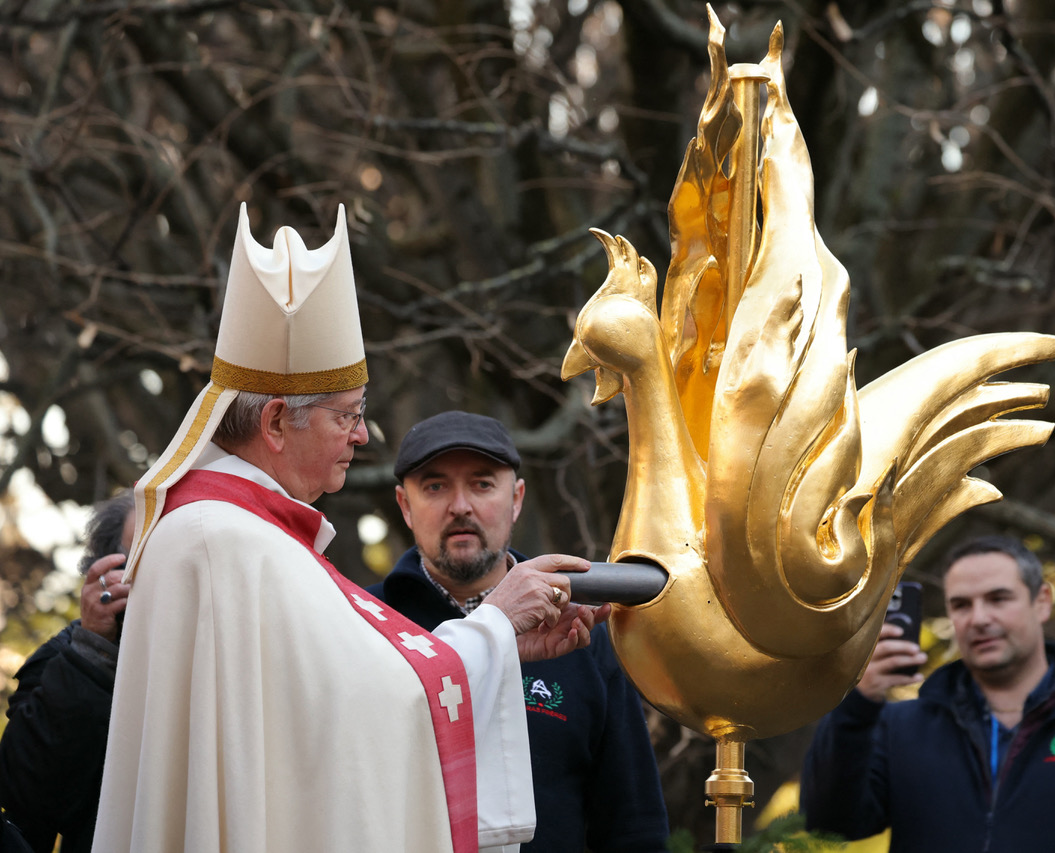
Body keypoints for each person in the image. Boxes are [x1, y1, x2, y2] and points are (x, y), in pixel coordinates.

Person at [92, 204, 606, 853]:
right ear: (276, 422)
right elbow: (362, 729)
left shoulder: (235, 535)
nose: (362, 435)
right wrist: (495, 624)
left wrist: (501, 650)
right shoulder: (225, 543)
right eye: (347, 415)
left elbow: (334, 722)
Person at [366, 411, 669, 853]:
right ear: (404, 505)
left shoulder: (579, 634)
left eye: (483, 483)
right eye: (435, 486)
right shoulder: (365, 622)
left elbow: (633, 827)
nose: (461, 506)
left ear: (517, 499)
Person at [800, 535, 1055, 853]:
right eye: (962, 605)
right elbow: (830, 825)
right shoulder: (897, 727)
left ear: (1041, 602)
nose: (979, 618)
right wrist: (859, 704)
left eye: (998, 598)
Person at [0, 494, 133, 853]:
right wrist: (93, 653)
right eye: (139, 559)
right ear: (105, 572)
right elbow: (28, 797)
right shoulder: (68, 656)